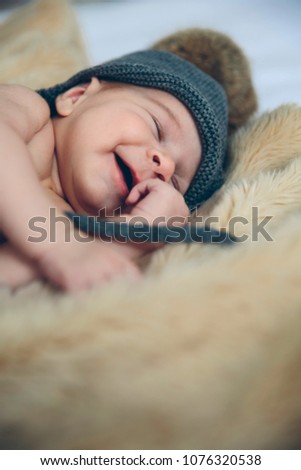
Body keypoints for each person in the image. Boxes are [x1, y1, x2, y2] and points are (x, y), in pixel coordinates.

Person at [0, 35, 230, 292]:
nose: (164, 166)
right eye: (156, 127)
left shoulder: (72, 237)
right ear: (77, 96)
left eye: (175, 182)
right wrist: (59, 247)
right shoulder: (28, 111)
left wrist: (132, 235)